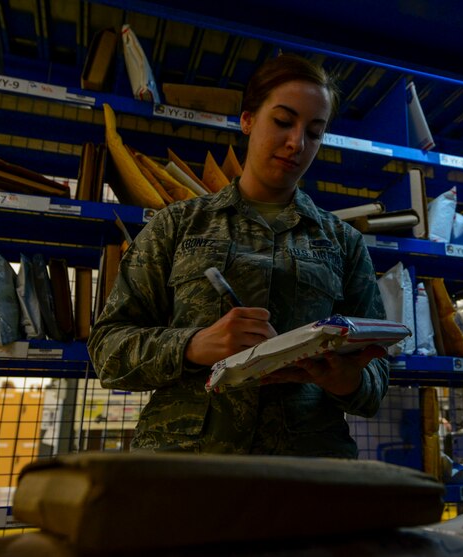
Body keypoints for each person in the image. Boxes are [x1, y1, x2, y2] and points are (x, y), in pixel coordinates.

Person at [88, 53, 389, 458]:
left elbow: (377, 376)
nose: (296, 143)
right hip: (189, 469)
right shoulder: (176, 226)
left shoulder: (344, 243)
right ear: (247, 119)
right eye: (283, 122)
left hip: (306, 472)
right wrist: (194, 344)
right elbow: (107, 350)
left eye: (314, 132)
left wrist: (348, 380)